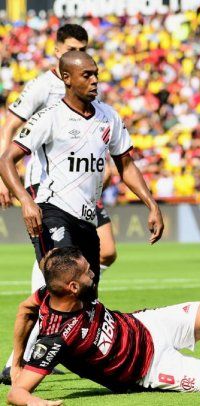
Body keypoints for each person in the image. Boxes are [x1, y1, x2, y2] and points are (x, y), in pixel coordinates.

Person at [0, 51, 164, 383]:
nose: (94, 81)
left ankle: (98, 364)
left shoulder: (108, 117)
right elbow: (7, 160)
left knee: (87, 295)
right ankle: (18, 367)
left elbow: (126, 165)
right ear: (67, 78)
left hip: (87, 219)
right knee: (60, 291)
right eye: (86, 75)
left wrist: (151, 203)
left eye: (96, 74)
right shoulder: (49, 116)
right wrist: (27, 203)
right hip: (52, 213)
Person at [6, 247, 200, 405]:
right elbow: (16, 393)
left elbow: (25, 309)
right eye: (86, 273)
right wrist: (35, 402)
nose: (93, 274)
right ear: (72, 287)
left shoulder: (48, 294)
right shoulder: (55, 339)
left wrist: (16, 358)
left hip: (146, 324)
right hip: (147, 370)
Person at [0, 25, 119, 382]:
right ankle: (19, 357)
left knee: (106, 254)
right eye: (72, 47)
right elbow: (11, 129)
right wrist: (10, 183)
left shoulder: (92, 92)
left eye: (83, 48)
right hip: (48, 189)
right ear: (58, 52)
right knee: (60, 267)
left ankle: (69, 339)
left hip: (85, 189)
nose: (80, 51)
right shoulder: (42, 86)